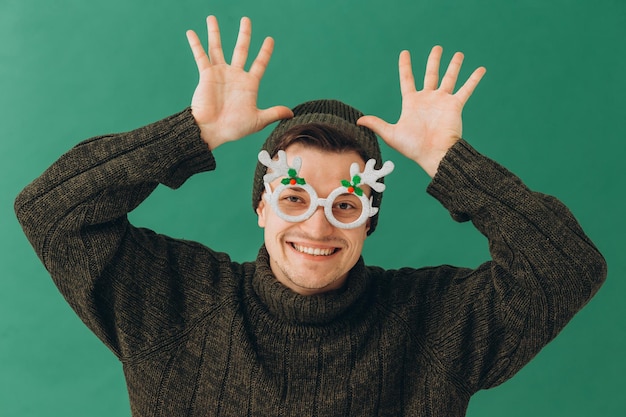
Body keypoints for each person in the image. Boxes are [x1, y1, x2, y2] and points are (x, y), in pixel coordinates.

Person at [15, 15, 606, 417]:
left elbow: (568, 267)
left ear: (368, 220)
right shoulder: (174, 300)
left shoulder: (435, 323)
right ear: (261, 207)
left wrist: (448, 161)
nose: (318, 228)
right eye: (295, 199)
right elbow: (52, 211)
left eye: (345, 206)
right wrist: (190, 134)